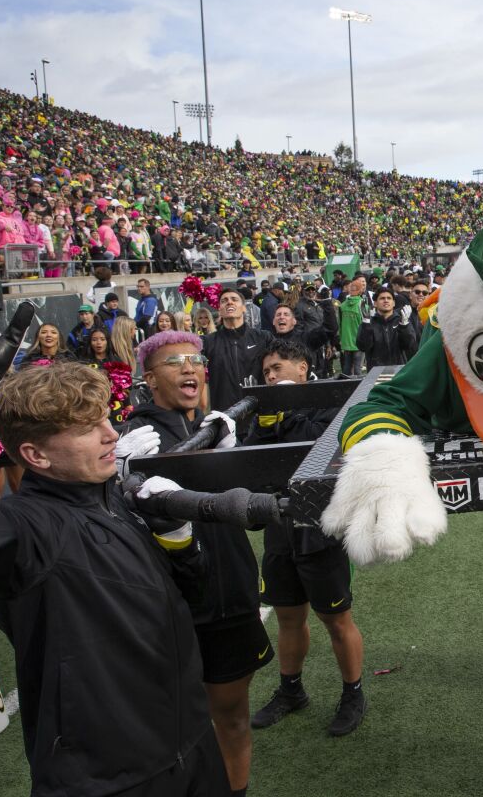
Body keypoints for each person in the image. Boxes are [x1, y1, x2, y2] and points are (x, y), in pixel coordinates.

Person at [0, 270, 229, 796]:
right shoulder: (32, 529)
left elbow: (193, 602)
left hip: (188, 745)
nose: (111, 434)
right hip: (109, 778)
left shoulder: (112, 498)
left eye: (106, 417)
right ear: (34, 454)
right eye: (88, 428)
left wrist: (177, 538)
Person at [119, 331, 273, 794]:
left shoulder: (213, 426)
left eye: (194, 359)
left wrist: (231, 456)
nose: (189, 368)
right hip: (175, 604)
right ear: (149, 379)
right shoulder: (135, 439)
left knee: (232, 715)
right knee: (176, 723)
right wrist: (117, 477)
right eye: (174, 362)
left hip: (231, 594)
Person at [242, 340, 367, 737]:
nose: (272, 377)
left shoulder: (329, 400)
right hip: (280, 529)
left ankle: (353, 694)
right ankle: (291, 690)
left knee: (336, 618)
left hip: (320, 528)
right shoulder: (266, 414)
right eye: (266, 374)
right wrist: (265, 427)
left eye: (278, 368)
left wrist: (282, 419)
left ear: (302, 367)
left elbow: (326, 441)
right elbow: (249, 461)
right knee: (288, 617)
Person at [202, 288, 272, 412]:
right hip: (224, 416)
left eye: (234, 299)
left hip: (258, 414)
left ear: (244, 308)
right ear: (220, 310)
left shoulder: (263, 337)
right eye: (224, 301)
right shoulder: (207, 342)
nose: (229, 302)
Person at [356, 285, 415, 369]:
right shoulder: (369, 323)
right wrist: (366, 324)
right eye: (382, 298)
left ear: (394, 303)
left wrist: (404, 326)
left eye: (389, 298)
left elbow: (409, 345)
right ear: (375, 303)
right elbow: (363, 346)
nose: (386, 300)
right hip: (375, 371)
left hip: (399, 370)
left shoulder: (401, 320)